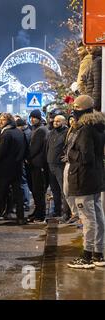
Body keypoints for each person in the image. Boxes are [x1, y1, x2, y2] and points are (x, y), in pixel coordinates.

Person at [67, 95, 105, 269]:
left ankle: (87, 256)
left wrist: (69, 155)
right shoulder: (98, 125)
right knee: (97, 215)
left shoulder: (85, 129)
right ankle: (98, 253)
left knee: (87, 218)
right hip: (95, 177)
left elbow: (86, 156)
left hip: (83, 178)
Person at [0, 113, 26, 225]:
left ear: (9, 120)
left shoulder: (6, 134)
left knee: (0, 194)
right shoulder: (20, 132)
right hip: (17, 167)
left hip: (4, 169)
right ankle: (20, 217)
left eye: (3, 120)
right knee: (18, 193)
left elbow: (0, 152)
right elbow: (25, 149)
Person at [46, 115, 70, 220]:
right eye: (55, 121)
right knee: (54, 189)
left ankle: (66, 213)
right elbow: (47, 147)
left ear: (64, 122)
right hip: (50, 164)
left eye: (58, 121)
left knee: (63, 190)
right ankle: (57, 211)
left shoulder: (67, 133)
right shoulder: (51, 132)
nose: (55, 123)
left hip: (60, 166)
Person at [27, 109, 49, 223]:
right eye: (31, 117)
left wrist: (27, 158)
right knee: (36, 190)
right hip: (35, 164)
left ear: (39, 118)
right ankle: (37, 211)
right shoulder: (36, 129)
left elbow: (34, 148)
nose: (32, 119)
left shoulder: (41, 130)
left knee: (38, 190)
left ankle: (40, 214)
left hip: (38, 164)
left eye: (34, 117)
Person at [85, 46, 102, 112]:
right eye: (86, 46)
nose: (88, 47)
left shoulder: (97, 61)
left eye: (91, 44)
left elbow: (97, 85)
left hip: (96, 104)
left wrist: (95, 105)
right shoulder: (95, 59)